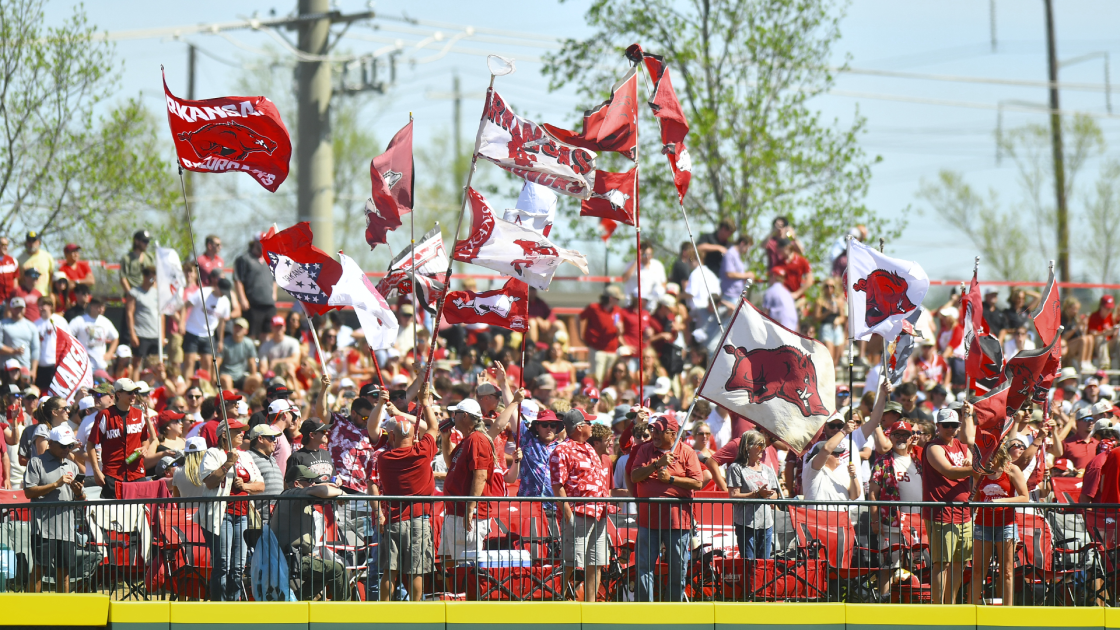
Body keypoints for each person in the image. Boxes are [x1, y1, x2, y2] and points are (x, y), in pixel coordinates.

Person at [626, 412, 703, 602]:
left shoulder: (686, 452)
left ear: (672, 433)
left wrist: (671, 479)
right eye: (653, 431)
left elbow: (698, 483)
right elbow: (635, 477)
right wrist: (656, 465)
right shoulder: (645, 450)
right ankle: (646, 610)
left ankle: (673, 609)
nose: (655, 436)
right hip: (648, 519)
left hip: (678, 520)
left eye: (660, 432)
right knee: (644, 566)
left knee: (678, 567)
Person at [372, 387, 438, 601]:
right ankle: (416, 609)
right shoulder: (422, 452)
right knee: (416, 570)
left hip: (394, 520)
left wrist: (382, 406)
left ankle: (384, 610)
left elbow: (375, 433)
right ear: (414, 436)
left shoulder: (384, 459)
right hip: (419, 518)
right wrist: (425, 402)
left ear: (391, 436)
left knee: (390, 570)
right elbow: (434, 427)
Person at [550, 409, 610, 601]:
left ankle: (590, 605)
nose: (592, 426)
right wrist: (569, 515)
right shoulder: (562, 450)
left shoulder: (590, 448)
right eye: (588, 423)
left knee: (596, 562)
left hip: (599, 512)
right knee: (570, 562)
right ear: (579, 427)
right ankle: (556, 600)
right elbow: (557, 485)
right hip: (579, 513)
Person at [439, 398, 505, 566]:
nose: (453, 417)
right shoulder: (467, 439)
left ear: (465, 416)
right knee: (448, 561)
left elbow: (480, 475)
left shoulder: (477, 439)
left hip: (468, 514)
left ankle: (465, 593)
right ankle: (453, 593)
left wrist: (470, 507)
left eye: (456, 414)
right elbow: (450, 463)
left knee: (466, 566)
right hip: (456, 511)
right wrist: (445, 439)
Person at [921, 406, 975, 605]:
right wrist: (975, 469)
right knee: (941, 563)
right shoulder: (933, 447)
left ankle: (950, 604)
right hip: (941, 512)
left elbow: (969, 464)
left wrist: (972, 468)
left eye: (954, 425)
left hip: (964, 512)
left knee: (960, 563)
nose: (951, 429)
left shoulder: (961, 445)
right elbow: (949, 471)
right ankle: (938, 607)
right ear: (938, 426)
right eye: (947, 425)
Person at [271, 465, 348, 600]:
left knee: (325, 571)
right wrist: (340, 492)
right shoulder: (291, 493)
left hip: (294, 557)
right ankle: (342, 612)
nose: (313, 484)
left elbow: (321, 489)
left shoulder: (295, 497)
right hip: (289, 559)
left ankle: (299, 602)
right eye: (309, 481)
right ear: (297, 484)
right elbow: (323, 491)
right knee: (338, 569)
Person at [23, 425, 84, 593]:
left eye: (70, 446)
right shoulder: (36, 462)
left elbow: (79, 500)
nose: (67, 449)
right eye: (63, 445)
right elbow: (28, 491)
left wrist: (79, 493)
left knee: (64, 574)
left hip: (67, 530)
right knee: (39, 571)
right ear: (50, 443)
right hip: (43, 529)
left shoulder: (72, 466)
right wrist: (56, 484)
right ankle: (30, 612)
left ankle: (62, 614)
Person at [868, 419, 924, 598]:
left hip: (918, 522)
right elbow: (873, 494)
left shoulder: (920, 459)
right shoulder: (882, 462)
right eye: (897, 434)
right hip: (891, 521)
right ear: (890, 437)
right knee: (888, 564)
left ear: (910, 438)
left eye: (905, 435)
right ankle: (885, 600)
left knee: (918, 564)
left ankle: (914, 598)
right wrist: (875, 520)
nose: (901, 438)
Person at [970, 439, 1028, 606]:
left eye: (988, 454)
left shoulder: (1011, 469)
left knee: (1008, 571)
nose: (985, 458)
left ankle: (1007, 610)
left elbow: (1025, 497)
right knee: (978, 570)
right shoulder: (980, 472)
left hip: (1006, 523)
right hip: (983, 523)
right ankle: (971, 608)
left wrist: (1002, 501)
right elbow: (976, 498)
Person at [87, 378, 156, 499]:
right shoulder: (105, 415)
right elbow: (91, 445)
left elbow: (145, 439)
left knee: (138, 511)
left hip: (136, 473)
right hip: (113, 475)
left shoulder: (139, 414)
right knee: (112, 514)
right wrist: (96, 471)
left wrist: (144, 448)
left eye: (135, 392)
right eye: (130, 392)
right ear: (118, 394)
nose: (134, 395)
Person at [726, 430, 781, 560]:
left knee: (764, 565)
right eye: (760, 444)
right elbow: (734, 496)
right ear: (747, 447)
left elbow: (775, 496)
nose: (764, 448)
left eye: (764, 444)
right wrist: (757, 494)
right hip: (746, 524)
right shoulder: (736, 468)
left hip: (766, 523)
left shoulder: (767, 469)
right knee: (749, 565)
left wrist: (765, 495)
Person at [803, 416, 862, 504]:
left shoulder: (842, 475)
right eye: (835, 453)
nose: (838, 456)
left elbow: (854, 496)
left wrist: (853, 476)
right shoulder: (813, 471)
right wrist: (844, 431)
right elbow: (826, 449)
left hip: (840, 517)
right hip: (818, 517)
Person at [181, 274, 232, 376]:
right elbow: (186, 305)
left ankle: (206, 387)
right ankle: (188, 384)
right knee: (190, 361)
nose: (223, 294)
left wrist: (220, 341)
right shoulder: (202, 293)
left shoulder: (225, 302)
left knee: (208, 362)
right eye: (222, 291)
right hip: (192, 331)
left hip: (208, 335)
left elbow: (222, 322)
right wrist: (182, 322)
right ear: (217, 287)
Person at [233, 236, 277, 340]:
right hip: (252, 304)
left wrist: (274, 295)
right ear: (255, 242)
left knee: (267, 333)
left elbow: (274, 280)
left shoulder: (270, 259)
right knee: (251, 334)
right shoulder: (244, 259)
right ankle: (252, 355)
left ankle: (263, 355)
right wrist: (242, 299)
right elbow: (238, 280)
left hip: (268, 303)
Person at [579, 285, 623, 385]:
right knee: (597, 378)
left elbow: (620, 333)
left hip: (612, 350)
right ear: (611, 298)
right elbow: (579, 318)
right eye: (617, 299)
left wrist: (620, 329)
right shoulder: (594, 308)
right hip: (597, 350)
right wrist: (580, 336)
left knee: (609, 379)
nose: (618, 301)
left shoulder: (617, 311)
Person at [124, 265, 161, 376]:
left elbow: (161, 315)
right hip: (141, 333)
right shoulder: (134, 292)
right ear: (145, 277)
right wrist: (132, 334)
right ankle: (134, 389)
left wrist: (162, 336)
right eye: (151, 277)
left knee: (154, 364)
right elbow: (129, 313)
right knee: (137, 363)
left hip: (155, 334)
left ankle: (151, 389)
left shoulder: (157, 293)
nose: (153, 280)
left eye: (155, 278)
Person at [69, 298, 118, 372]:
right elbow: (68, 335)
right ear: (92, 306)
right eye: (99, 307)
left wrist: (109, 353)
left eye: (103, 307)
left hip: (101, 365)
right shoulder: (79, 320)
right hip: (83, 365)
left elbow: (115, 338)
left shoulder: (105, 322)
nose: (101, 309)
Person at [286, 419, 334, 486]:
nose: (326, 433)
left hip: (329, 494)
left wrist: (338, 480)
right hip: (308, 495)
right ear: (312, 435)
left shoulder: (327, 454)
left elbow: (333, 476)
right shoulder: (297, 457)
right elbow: (290, 485)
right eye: (323, 431)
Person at [219, 318, 260, 393]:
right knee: (227, 380)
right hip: (226, 374)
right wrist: (214, 379)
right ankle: (230, 402)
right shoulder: (225, 342)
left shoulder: (249, 343)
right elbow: (217, 362)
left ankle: (251, 401)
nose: (237, 329)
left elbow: (252, 363)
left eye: (240, 327)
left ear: (246, 331)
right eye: (236, 327)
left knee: (256, 379)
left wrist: (253, 376)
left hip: (241, 375)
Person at [621, 242, 667, 308]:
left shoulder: (658, 265)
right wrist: (637, 260)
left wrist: (659, 290)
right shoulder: (631, 265)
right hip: (633, 305)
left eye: (650, 254)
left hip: (651, 306)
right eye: (645, 255)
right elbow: (624, 279)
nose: (648, 257)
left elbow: (664, 282)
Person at [1, 297, 39, 376]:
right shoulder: (3, 324)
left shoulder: (31, 326)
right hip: (7, 369)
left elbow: (35, 349)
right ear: (11, 309)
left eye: (20, 308)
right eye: (16, 308)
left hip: (24, 369)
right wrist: (13, 351)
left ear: (25, 309)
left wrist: (34, 370)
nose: (18, 311)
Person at [720, 234, 754, 304]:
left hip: (736, 296)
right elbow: (729, 274)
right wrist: (747, 275)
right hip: (729, 296)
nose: (747, 250)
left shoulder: (737, 256)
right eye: (747, 247)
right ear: (742, 243)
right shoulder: (730, 254)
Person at [18, 231, 53, 295]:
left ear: (39, 242)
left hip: (44, 295)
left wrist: (51, 293)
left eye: (34, 241)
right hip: (27, 296)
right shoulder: (19, 259)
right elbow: (19, 280)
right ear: (26, 243)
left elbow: (51, 277)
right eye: (29, 241)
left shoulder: (47, 256)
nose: (32, 243)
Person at [0, 236, 18, 305]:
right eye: (3, 245)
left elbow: (15, 280)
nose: (5, 247)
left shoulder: (12, 260)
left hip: (10, 300)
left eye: (7, 245)